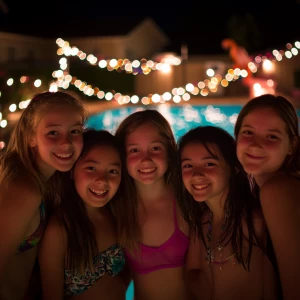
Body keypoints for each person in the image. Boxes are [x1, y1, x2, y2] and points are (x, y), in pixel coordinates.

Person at [0, 90, 86, 300]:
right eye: (53, 133)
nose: (66, 142)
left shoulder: (28, 176)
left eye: (74, 131)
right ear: (31, 137)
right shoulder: (24, 191)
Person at [177, 125, 278, 300]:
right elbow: (192, 271)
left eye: (209, 163)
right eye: (188, 165)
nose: (196, 174)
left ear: (235, 167)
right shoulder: (203, 222)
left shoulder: (255, 222)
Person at [38, 129, 129, 299]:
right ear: (72, 171)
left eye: (113, 171)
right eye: (91, 168)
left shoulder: (117, 216)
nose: (102, 180)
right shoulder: (60, 230)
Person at [113, 109, 190, 300]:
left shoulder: (186, 200)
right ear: (122, 157)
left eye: (155, 148)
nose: (145, 159)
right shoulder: (118, 208)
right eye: (134, 150)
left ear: (169, 150)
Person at [234, 94, 300, 300]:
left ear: (291, 145)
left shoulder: (277, 190)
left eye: (271, 136)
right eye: (248, 132)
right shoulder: (280, 186)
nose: (255, 145)